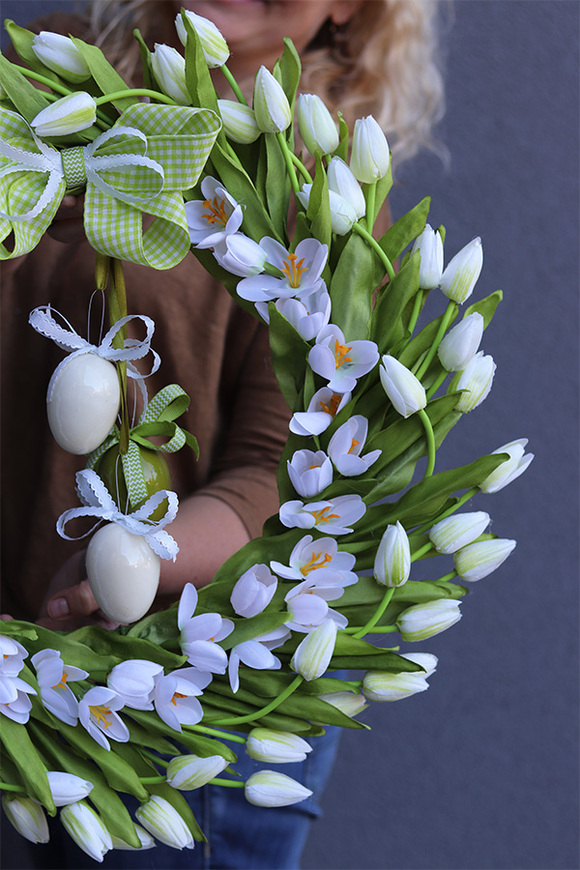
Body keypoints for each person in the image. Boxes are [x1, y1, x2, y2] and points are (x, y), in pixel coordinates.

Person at [0, 1, 445, 867]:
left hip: (194, 707)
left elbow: (283, 478)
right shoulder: (48, 90)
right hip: (42, 680)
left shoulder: (325, 201)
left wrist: (127, 557)